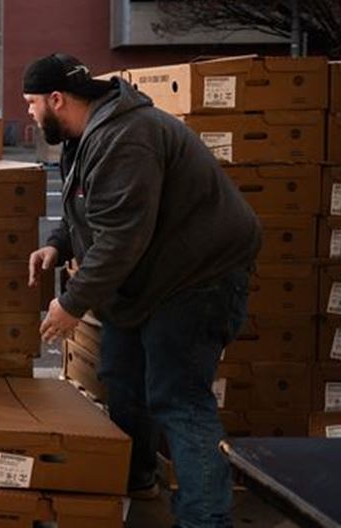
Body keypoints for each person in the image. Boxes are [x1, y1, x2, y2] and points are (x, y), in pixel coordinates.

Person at [23, 53, 260, 528]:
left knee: (178, 396)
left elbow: (121, 236)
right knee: (122, 375)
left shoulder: (127, 137)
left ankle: (206, 520)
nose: (28, 113)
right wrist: (57, 245)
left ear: (57, 99)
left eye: (31, 103)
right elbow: (92, 209)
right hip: (149, 276)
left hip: (197, 276)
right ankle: (137, 478)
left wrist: (71, 304)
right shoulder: (82, 136)